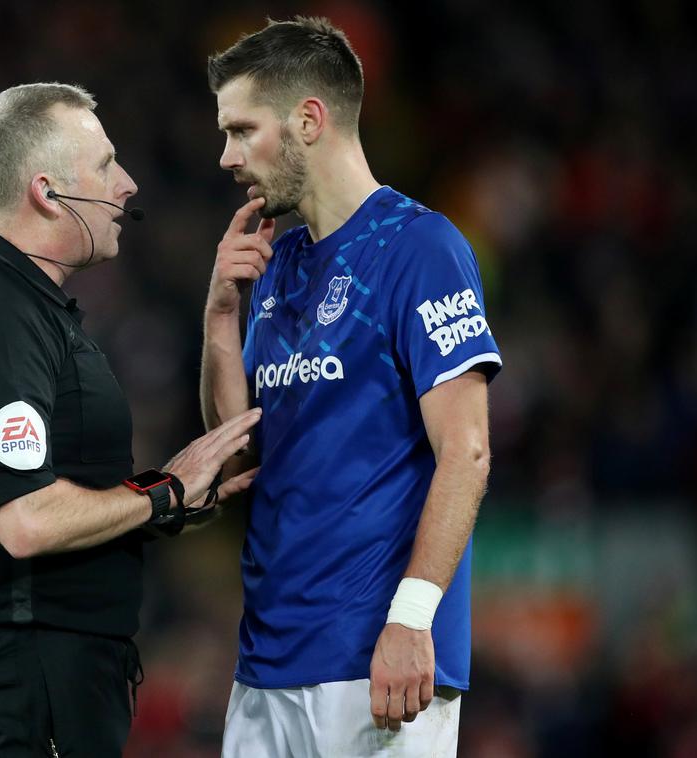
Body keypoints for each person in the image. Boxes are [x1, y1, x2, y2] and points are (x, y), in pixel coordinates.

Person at [0, 83, 261, 757]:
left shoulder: (28, 308)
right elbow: (27, 520)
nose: (126, 185)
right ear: (47, 191)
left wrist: (175, 497)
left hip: (46, 676)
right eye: (104, 166)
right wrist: (166, 491)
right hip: (24, 679)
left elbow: (63, 498)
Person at [201, 18, 502, 757]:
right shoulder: (274, 265)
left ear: (308, 120)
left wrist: (411, 618)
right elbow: (236, 460)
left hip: (376, 661)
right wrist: (218, 319)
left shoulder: (420, 247)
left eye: (243, 130)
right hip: (267, 660)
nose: (226, 157)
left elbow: (466, 452)